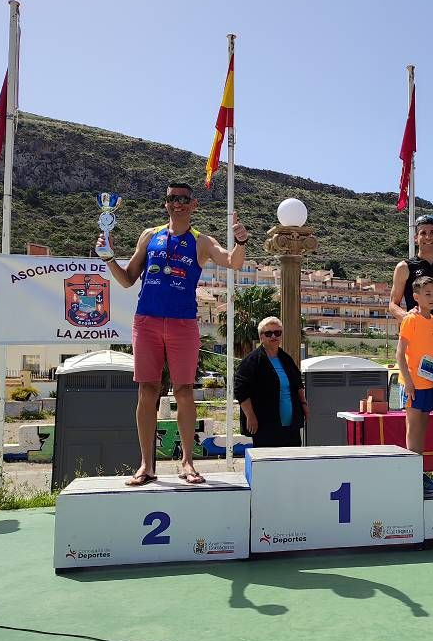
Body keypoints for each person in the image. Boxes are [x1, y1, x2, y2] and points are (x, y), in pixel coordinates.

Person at [100, 181, 248, 486]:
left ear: (193, 205)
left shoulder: (201, 241)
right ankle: (146, 465)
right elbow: (128, 279)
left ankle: (187, 463)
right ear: (166, 203)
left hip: (183, 325)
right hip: (147, 322)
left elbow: (232, 261)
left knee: (183, 391)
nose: (177, 203)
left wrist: (241, 241)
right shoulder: (149, 236)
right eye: (171, 198)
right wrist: (108, 259)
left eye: (183, 199)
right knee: (147, 391)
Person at [390, 214, 433, 477]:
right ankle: (414, 472)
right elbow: (392, 303)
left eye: (432, 232)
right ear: (416, 237)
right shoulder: (405, 266)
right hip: (417, 346)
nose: (428, 237)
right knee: (416, 410)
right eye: (423, 232)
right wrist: (409, 318)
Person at [396, 275, 433, 493]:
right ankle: (412, 477)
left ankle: (420, 476)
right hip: (412, 385)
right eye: (428, 294)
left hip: (428, 385)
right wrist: (409, 383)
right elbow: (399, 354)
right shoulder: (410, 319)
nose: (432, 297)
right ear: (416, 297)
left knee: (422, 431)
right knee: (413, 432)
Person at [235, 316, 308, 448]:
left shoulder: (286, 359)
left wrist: (304, 405)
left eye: (277, 333)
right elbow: (241, 390)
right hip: (265, 425)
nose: (273, 336)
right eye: (268, 333)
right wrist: (250, 416)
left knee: (292, 464)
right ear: (261, 337)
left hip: (290, 426)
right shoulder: (252, 361)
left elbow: (298, 384)